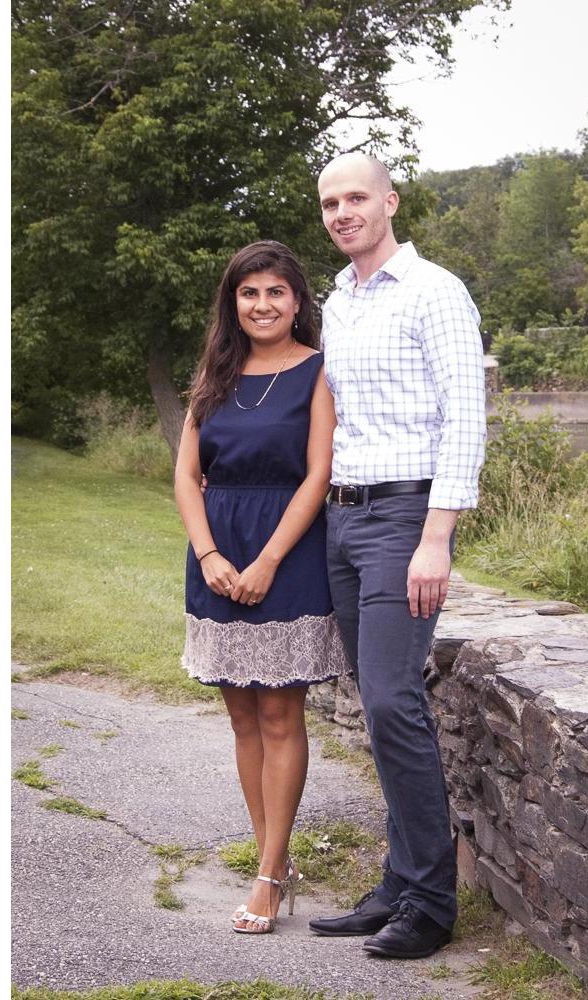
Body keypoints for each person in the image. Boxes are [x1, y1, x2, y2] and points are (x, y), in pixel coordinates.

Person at [307, 153, 487, 959]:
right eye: (329, 203)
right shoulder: (337, 300)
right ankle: (398, 882)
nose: (342, 212)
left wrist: (435, 537)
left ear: (391, 202)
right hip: (343, 519)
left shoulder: (433, 291)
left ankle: (432, 904)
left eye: (356, 197)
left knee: (389, 699)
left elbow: (465, 417)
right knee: (378, 703)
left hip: (405, 518)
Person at [175, 240, 348, 935]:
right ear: (234, 303)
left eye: (276, 291)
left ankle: (271, 876)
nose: (262, 304)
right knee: (242, 721)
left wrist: (270, 560)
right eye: (249, 293)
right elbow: (187, 475)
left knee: (279, 716)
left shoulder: (318, 372)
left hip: (288, 554)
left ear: (298, 301)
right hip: (216, 557)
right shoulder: (214, 373)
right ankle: (270, 858)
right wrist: (209, 553)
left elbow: (318, 474)